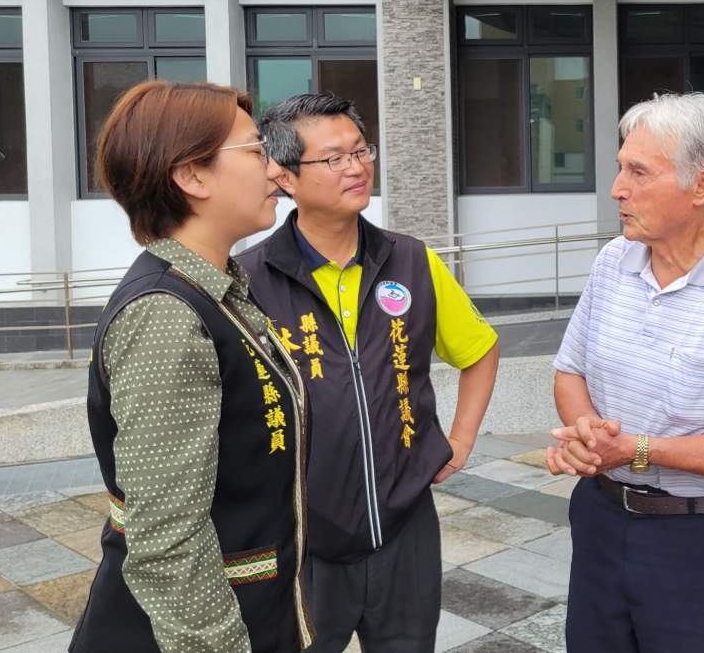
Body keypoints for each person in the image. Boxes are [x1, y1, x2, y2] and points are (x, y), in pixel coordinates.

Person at [545, 92, 704, 653]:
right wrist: (588, 434)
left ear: (702, 185)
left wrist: (638, 450)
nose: (617, 188)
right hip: (600, 521)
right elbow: (570, 372)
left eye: (638, 172)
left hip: (703, 541)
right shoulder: (614, 261)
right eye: (621, 168)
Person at [238, 93, 499, 653]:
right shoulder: (248, 282)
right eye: (333, 158)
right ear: (284, 176)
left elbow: (480, 350)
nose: (356, 167)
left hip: (406, 531)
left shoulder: (412, 261)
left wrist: (460, 441)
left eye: (360, 151)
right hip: (302, 541)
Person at [72, 80, 313, 653]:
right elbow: (167, 540)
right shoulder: (166, 314)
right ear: (192, 175)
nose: (276, 169)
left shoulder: (214, 290)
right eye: (256, 150)